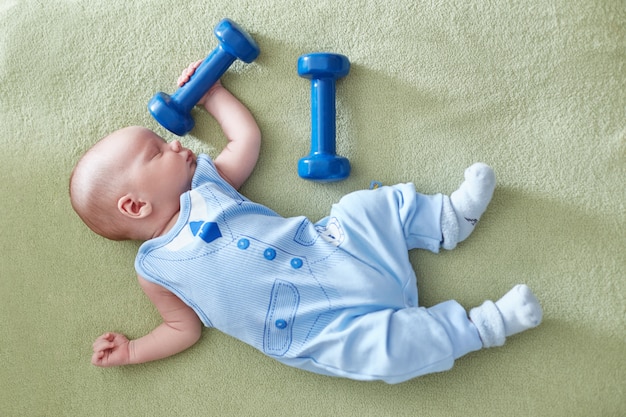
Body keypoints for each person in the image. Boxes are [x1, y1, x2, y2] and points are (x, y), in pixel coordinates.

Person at [69, 61, 542, 384]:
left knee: (364, 208)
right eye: (156, 151)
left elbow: (244, 139)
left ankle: (447, 220)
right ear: (135, 207)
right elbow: (181, 329)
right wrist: (133, 351)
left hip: (333, 250)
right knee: (388, 355)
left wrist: (213, 95)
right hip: (317, 331)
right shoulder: (155, 270)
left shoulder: (207, 185)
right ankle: (484, 326)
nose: (174, 143)